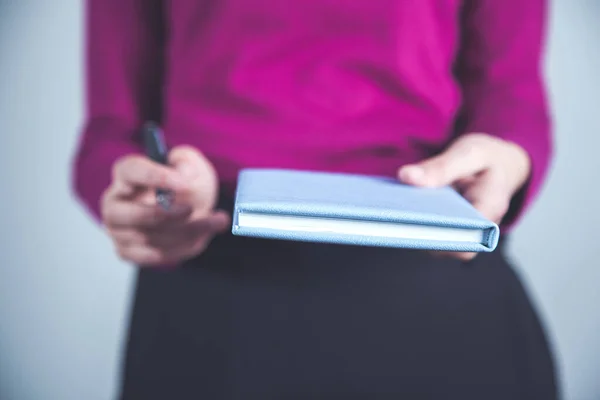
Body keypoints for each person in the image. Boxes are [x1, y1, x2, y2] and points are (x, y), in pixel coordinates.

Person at [73, 0, 557, 398]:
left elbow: (511, 92)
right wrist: (142, 195)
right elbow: (112, 131)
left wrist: (509, 157)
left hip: (435, 286)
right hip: (211, 288)